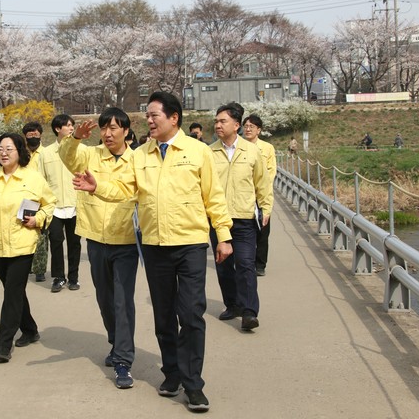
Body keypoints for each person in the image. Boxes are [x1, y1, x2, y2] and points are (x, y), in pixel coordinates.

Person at [73, 91, 233, 413]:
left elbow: (213, 196)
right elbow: (125, 190)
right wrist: (98, 187)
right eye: (147, 116)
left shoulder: (198, 151)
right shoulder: (140, 155)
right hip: (155, 245)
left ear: (174, 118)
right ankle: (172, 373)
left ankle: (193, 384)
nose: (148, 120)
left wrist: (224, 235)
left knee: (191, 314)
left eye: (154, 115)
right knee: (163, 316)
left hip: (189, 243)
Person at [59, 107, 139, 390]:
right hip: (95, 237)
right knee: (105, 299)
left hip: (126, 240)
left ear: (126, 131)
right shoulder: (90, 154)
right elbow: (67, 158)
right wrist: (75, 139)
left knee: (122, 301)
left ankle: (123, 361)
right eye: (104, 128)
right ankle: (116, 342)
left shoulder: (137, 160)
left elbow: (134, 192)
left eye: (114, 128)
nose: (108, 133)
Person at [0, 133, 56, 363]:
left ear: (20, 151)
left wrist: (38, 219)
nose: (3, 153)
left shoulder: (32, 178)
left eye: (9, 149)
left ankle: (3, 345)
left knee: (12, 293)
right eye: (0, 149)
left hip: (23, 244)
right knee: (15, 292)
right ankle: (30, 330)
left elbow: (50, 204)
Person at [210, 104, 273, 332]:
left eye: (223, 121)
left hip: (245, 217)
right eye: (216, 121)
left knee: (246, 264)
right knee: (224, 266)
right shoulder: (209, 153)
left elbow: (262, 182)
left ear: (236, 125)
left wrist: (266, 208)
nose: (217, 125)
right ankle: (233, 304)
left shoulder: (252, 151)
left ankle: (249, 312)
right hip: (218, 219)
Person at [38, 114, 82, 292]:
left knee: (74, 243)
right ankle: (58, 277)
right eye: (67, 125)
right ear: (57, 129)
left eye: (72, 125)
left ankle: (73, 277)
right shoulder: (46, 153)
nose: (71, 128)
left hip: (75, 204)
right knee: (56, 241)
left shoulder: (81, 149)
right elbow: (41, 180)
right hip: (54, 206)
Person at [242, 114, 276, 277]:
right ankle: (245, 262)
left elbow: (270, 171)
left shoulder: (267, 148)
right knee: (243, 229)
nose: (248, 129)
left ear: (259, 130)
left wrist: (260, 189)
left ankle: (260, 264)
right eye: (246, 126)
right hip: (243, 194)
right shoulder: (238, 146)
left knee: (262, 229)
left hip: (261, 194)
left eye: (252, 127)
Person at [24, 121, 49, 282]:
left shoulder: (46, 153)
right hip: (25, 198)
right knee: (26, 232)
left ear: (40, 134)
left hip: (43, 198)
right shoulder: (21, 154)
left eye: (35, 133)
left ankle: (40, 269)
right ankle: (26, 266)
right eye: (30, 134)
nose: (33, 136)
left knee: (42, 236)